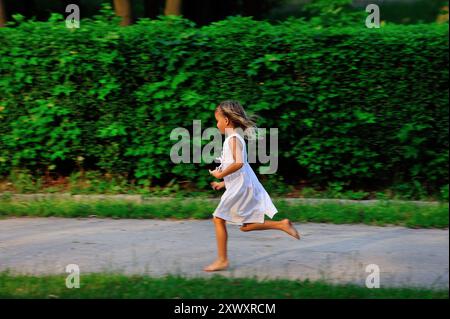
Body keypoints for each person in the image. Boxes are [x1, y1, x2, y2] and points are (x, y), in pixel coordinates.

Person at [205, 100, 300, 272]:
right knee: (246, 226)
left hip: (242, 186)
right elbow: (234, 166)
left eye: (217, 120)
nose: (216, 124)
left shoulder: (233, 139)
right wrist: (223, 183)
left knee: (218, 218)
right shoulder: (233, 139)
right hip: (241, 185)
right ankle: (281, 224)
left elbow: (239, 164)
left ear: (226, 120)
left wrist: (220, 174)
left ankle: (222, 260)